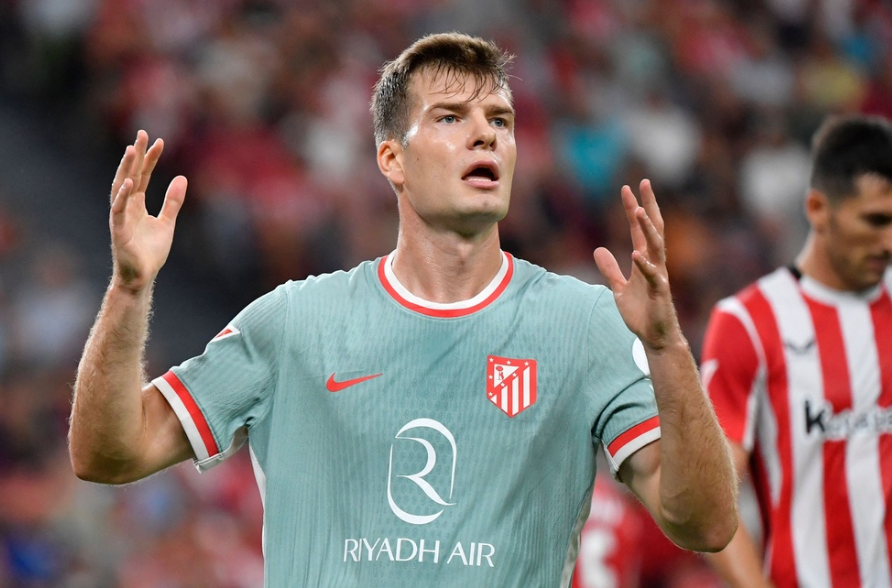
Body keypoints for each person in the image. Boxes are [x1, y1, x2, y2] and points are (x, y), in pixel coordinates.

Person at [69, 32, 737, 586]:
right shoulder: (295, 323)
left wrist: (668, 349)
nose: (486, 136)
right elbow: (108, 455)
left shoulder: (583, 325)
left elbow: (704, 523)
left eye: (499, 121)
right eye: (451, 117)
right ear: (392, 158)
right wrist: (129, 289)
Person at [701, 114, 892, 587]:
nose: (888, 241)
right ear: (818, 208)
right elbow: (709, 504)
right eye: (875, 221)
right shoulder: (747, 323)